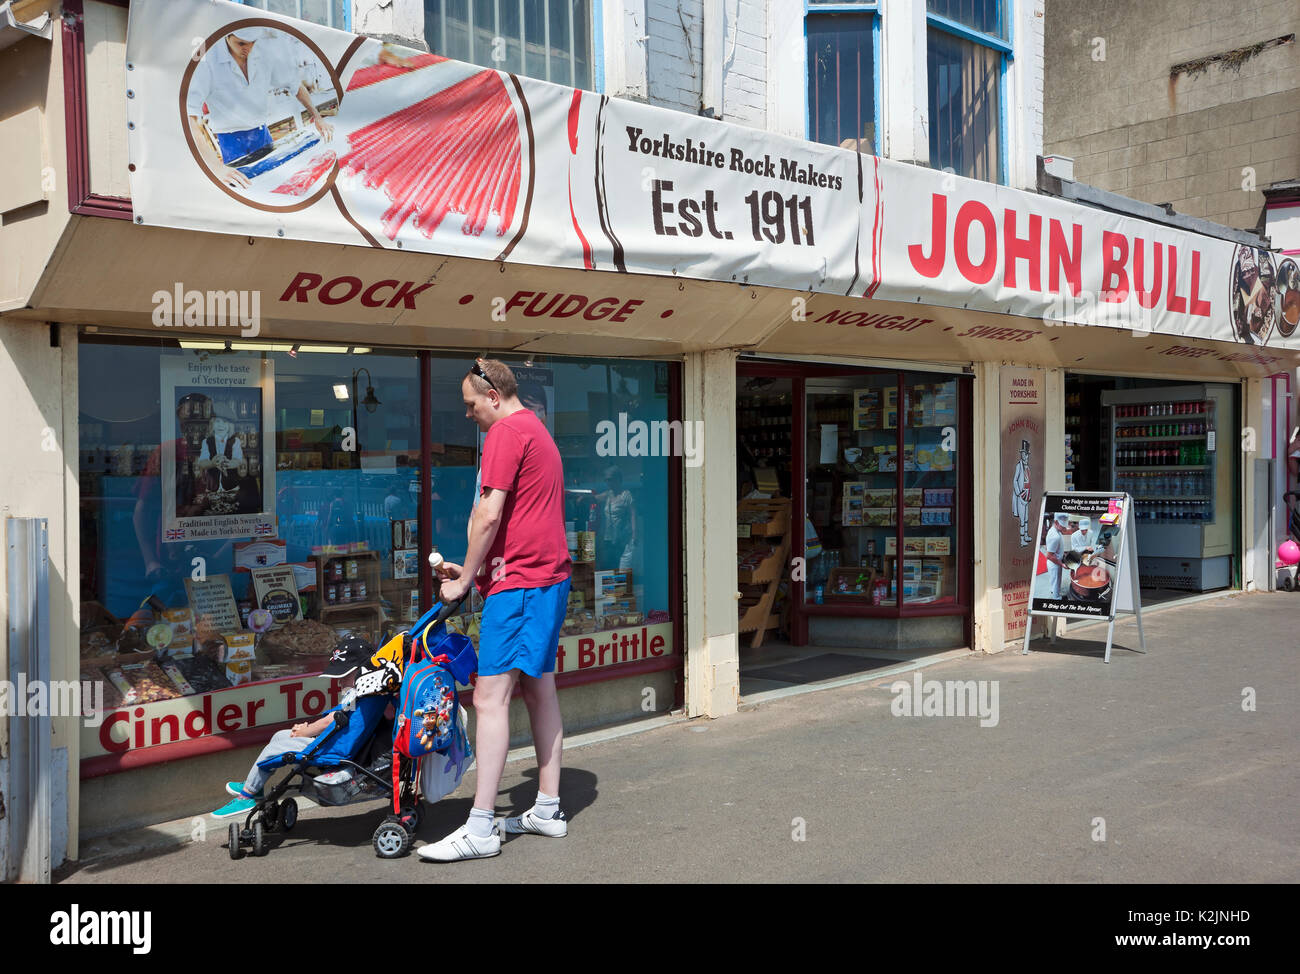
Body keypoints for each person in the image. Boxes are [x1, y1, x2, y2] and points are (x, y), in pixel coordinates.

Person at [419, 359, 572, 862]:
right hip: (544, 580)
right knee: (539, 687)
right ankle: (547, 807)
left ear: (492, 395)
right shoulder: (537, 431)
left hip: (522, 584)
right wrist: (472, 570)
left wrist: (465, 579)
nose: (468, 416)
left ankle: (481, 827)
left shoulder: (507, 433)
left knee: (488, 697)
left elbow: (489, 513)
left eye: (470, 405)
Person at [211, 636, 394, 818]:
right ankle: (255, 784)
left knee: (273, 749)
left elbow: (329, 720)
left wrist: (304, 731)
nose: (339, 682)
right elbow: (335, 718)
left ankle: (247, 795)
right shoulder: (369, 693)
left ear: (362, 671)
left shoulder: (360, 694)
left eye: (344, 676)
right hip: (331, 742)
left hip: (330, 750)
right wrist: (304, 729)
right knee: (280, 735)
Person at [186, 27, 335, 190]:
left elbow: (295, 84)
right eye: (241, 43)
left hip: (263, 134)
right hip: (231, 142)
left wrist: (318, 117)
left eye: (252, 43)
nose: (247, 49)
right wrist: (216, 168)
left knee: (276, 186)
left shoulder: (262, 53)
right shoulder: (207, 62)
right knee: (246, 190)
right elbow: (190, 118)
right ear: (227, 37)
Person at [595, 466, 637, 572]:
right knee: (608, 565)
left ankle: (619, 587)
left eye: (610, 479)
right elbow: (596, 498)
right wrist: (582, 497)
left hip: (621, 538)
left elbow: (633, 514)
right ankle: (611, 587)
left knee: (620, 565)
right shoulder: (608, 494)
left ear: (618, 479)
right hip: (608, 537)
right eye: (606, 480)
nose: (608, 482)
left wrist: (634, 534)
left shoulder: (626, 495)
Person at [1042, 513, 1077, 600]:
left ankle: (1053, 591)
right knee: (1056, 582)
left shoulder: (1054, 530)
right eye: (1063, 526)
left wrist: (1063, 553)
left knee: (1054, 581)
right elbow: (1049, 556)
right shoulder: (1055, 536)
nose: (1065, 528)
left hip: (1056, 560)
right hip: (1054, 564)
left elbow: (1050, 548)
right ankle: (1056, 598)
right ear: (1056, 522)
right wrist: (1061, 564)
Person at [1011, 439, 1032, 546]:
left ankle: (1026, 535)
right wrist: (1019, 493)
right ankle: (1022, 539)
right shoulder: (1019, 465)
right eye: (1023, 453)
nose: (1024, 456)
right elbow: (1015, 480)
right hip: (1021, 495)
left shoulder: (1027, 466)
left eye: (1026, 453)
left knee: (1026, 517)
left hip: (1027, 495)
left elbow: (1028, 480)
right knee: (1022, 518)